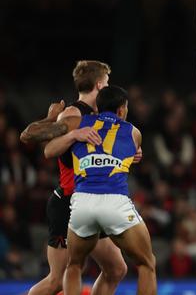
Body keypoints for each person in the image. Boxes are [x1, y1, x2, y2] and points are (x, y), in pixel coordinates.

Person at [20, 61, 131, 295]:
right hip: (69, 203)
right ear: (100, 85)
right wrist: (73, 134)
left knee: (116, 269)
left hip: (92, 201)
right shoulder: (73, 113)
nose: (109, 87)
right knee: (57, 281)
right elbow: (49, 150)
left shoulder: (100, 115)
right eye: (107, 83)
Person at [40, 85, 156, 295]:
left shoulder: (78, 123)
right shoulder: (133, 132)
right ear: (122, 110)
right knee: (147, 264)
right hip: (114, 201)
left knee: (74, 266)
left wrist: (60, 125)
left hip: (82, 202)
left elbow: (49, 148)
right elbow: (129, 151)